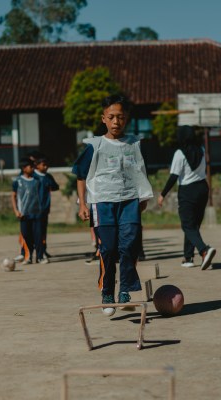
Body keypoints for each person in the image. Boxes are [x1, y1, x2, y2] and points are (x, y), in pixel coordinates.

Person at [72, 94, 153, 316]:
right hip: (102, 203)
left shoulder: (134, 144)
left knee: (129, 246)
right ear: (103, 119)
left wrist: (143, 197)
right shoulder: (95, 146)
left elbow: (140, 171)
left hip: (129, 202)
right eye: (112, 117)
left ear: (126, 119)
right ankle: (107, 291)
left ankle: (125, 289)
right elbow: (80, 176)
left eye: (121, 117)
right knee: (107, 249)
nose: (116, 121)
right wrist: (83, 204)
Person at [157, 125, 216, 270]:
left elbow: (174, 176)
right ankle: (188, 257)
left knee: (187, 225)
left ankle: (204, 250)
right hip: (202, 189)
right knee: (193, 225)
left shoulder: (180, 153)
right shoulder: (201, 150)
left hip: (188, 191)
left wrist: (162, 194)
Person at [11, 157, 48, 265]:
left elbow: (41, 196)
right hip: (24, 214)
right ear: (23, 168)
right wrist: (16, 211)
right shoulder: (17, 181)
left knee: (38, 236)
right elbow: (13, 196)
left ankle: (40, 257)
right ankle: (28, 257)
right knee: (26, 236)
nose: (33, 168)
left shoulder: (37, 181)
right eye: (30, 166)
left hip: (36, 213)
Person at [34, 156, 59, 261]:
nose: (46, 167)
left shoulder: (47, 176)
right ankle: (36, 254)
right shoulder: (33, 176)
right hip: (34, 209)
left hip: (45, 209)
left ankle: (43, 251)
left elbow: (55, 187)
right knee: (36, 232)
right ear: (37, 165)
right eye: (43, 165)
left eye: (47, 165)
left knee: (43, 232)